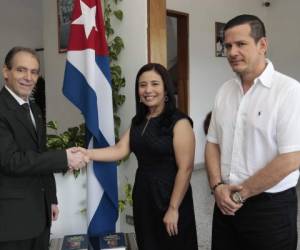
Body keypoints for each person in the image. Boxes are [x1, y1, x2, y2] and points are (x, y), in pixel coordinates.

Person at [76, 63, 198, 250]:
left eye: (155, 84)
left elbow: (186, 168)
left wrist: (173, 208)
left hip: (171, 196)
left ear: (166, 89)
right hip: (144, 195)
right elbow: (119, 150)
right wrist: (87, 153)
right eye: (142, 85)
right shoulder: (139, 121)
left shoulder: (179, 122)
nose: (148, 90)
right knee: (147, 243)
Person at [205, 14, 300, 250]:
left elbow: (292, 158)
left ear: (262, 45)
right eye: (227, 46)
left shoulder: (289, 91)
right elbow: (212, 143)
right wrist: (217, 188)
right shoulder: (224, 91)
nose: (232, 52)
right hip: (224, 204)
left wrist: (241, 194)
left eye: (241, 44)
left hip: (270, 210)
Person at [0, 46, 86, 250]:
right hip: (12, 221)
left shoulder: (35, 108)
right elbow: (11, 161)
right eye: (21, 70)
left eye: (34, 72)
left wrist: (51, 198)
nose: (28, 77)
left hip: (40, 215)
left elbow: (40, 153)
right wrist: (64, 158)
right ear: (6, 72)